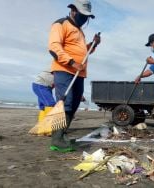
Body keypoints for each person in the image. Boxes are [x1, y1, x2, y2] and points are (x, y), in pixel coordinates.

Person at [48, 0, 101, 152]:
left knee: (75, 103)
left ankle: (62, 134)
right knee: (65, 103)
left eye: (87, 17)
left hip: (79, 73)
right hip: (65, 70)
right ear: (73, 10)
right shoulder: (61, 24)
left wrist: (94, 44)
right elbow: (54, 47)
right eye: (83, 15)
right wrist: (72, 62)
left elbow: (84, 52)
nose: (85, 19)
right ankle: (56, 140)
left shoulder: (80, 31)